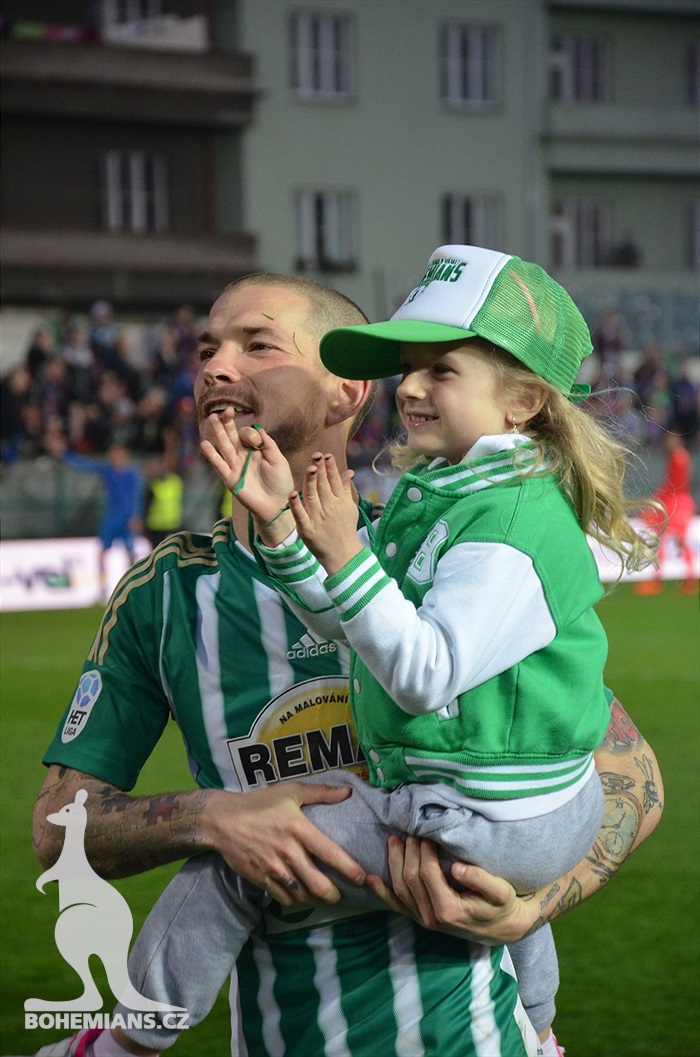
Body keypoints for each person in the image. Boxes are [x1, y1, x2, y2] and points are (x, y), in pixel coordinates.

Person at [32, 273, 663, 1057]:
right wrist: (211, 818)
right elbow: (58, 834)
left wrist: (530, 908)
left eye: (258, 344)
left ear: (347, 393)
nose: (217, 367)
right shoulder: (168, 592)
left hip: (475, 1034)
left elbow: (626, 771)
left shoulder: (433, 550)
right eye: (208, 347)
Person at [46, 439, 144, 600]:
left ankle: (134, 587)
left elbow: (136, 497)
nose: (114, 457)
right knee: (102, 552)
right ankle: (103, 588)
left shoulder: (132, 474)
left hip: (127, 518)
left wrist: (135, 516)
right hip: (112, 517)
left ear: (124, 454)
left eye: (117, 453)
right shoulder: (107, 471)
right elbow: (83, 466)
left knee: (130, 553)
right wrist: (64, 453)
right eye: (112, 453)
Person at [636, 429, 698, 595]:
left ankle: (656, 581)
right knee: (680, 542)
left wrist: (655, 499)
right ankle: (690, 581)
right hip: (683, 502)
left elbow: (673, 484)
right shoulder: (683, 456)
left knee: (662, 540)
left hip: (675, 503)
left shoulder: (677, 457)